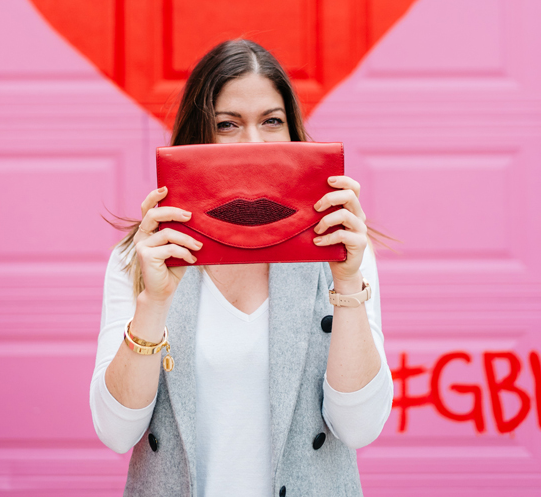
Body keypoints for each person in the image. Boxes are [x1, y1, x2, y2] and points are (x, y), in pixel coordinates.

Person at [90, 39, 393, 497]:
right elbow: (116, 432)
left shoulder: (339, 250)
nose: (253, 143)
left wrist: (348, 281)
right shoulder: (145, 254)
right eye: (227, 125)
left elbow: (359, 428)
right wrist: (153, 302)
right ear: (198, 136)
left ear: (293, 131)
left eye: (272, 122)